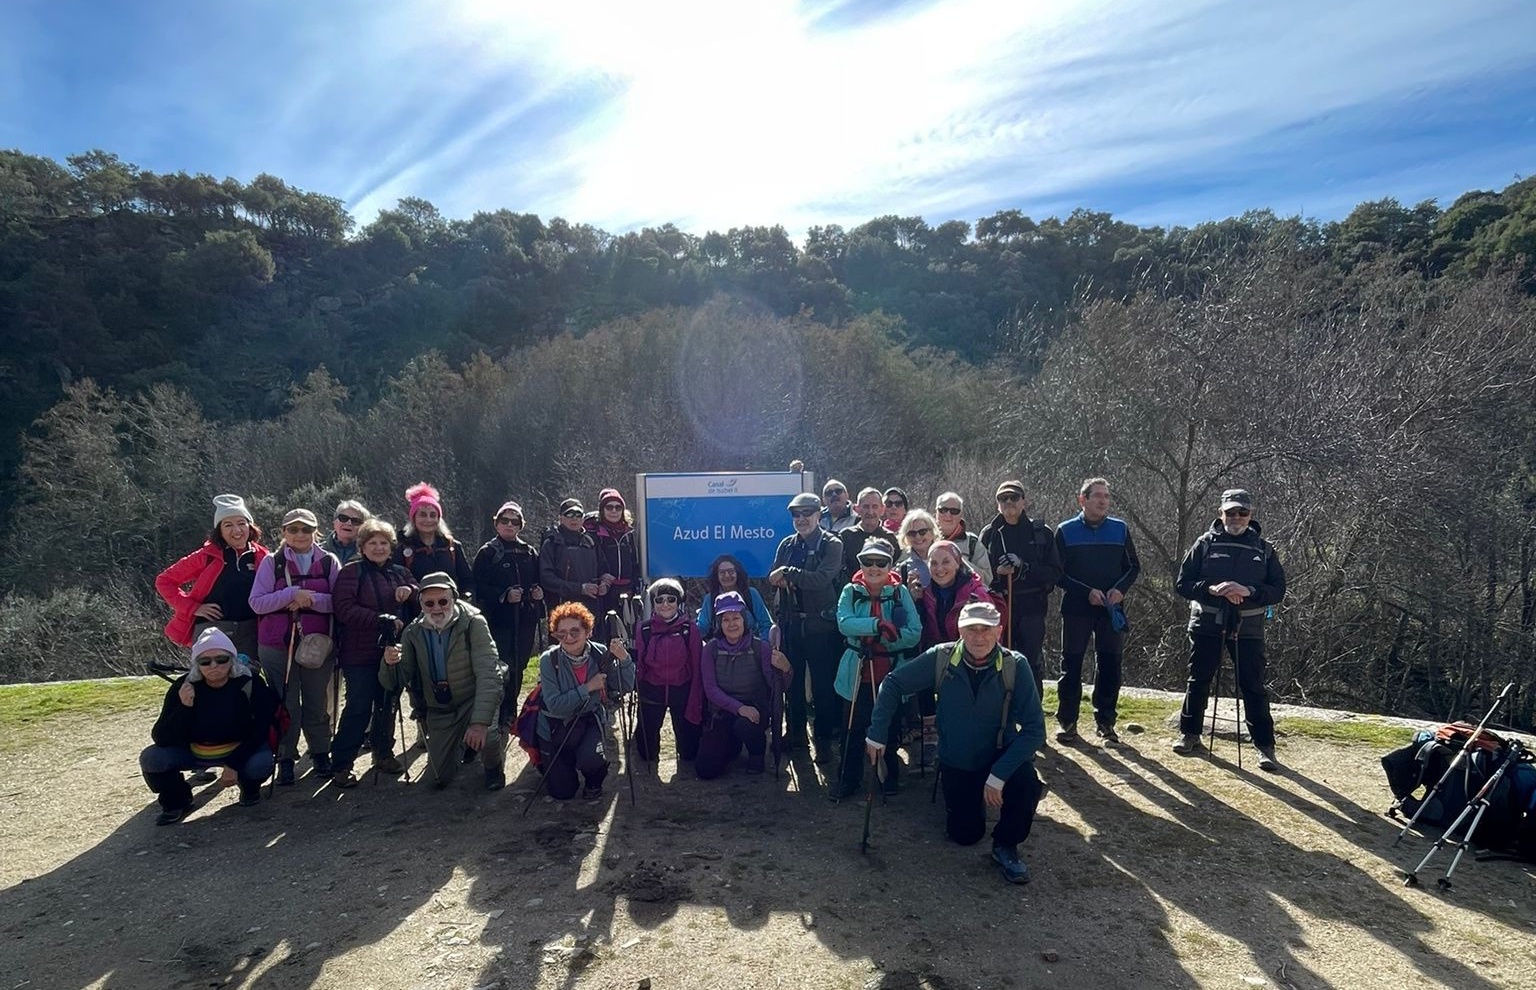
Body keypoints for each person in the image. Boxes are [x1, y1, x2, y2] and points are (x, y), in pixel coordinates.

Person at [866, 601, 1045, 885]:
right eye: (971, 629)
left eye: (986, 629)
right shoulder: (941, 658)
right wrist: (876, 733)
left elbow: (1035, 730)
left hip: (1000, 757)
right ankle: (969, 802)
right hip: (957, 760)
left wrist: (998, 776)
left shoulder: (1015, 666)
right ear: (959, 631)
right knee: (965, 836)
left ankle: (1006, 845)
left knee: (1025, 782)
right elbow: (893, 684)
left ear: (999, 631)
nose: (979, 636)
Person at [1172, 489, 1288, 771]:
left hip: (1248, 627)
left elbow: (1278, 590)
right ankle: (1189, 734)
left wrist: (1247, 590)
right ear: (1220, 513)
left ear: (1251, 515)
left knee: (1253, 685)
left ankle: (1264, 746)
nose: (1236, 517)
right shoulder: (1204, 544)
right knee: (1199, 679)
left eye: (1242, 513)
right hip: (1207, 624)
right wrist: (1211, 589)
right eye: (1231, 512)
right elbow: (1182, 583)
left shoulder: (1265, 549)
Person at [139, 627, 279, 825]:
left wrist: (233, 764)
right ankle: (177, 801)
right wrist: (184, 708)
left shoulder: (250, 682)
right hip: (194, 751)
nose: (214, 665)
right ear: (197, 664)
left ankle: (249, 787)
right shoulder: (183, 686)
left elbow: (260, 730)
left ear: (232, 660)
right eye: (205, 661)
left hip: (240, 748)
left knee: (261, 763)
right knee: (152, 758)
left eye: (222, 659)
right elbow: (161, 737)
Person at [380, 572, 507, 790]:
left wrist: (479, 723)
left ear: (454, 599)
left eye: (443, 601)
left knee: (489, 734)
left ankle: (493, 767)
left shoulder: (474, 623)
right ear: (421, 604)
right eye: (429, 603)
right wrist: (389, 663)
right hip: (440, 707)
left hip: (472, 698)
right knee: (440, 777)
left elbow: (489, 673)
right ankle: (464, 745)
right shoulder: (412, 632)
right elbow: (395, 682)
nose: (436, 608)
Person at [249, 508, 340, 785]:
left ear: (316, 532)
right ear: (283, 533)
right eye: (293, 529)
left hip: (317, 645)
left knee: (316, 701)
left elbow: (339, 601)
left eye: (306, 529)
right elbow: (257, 602)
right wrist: (290, 594)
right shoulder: (270, 563)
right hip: (277, 645)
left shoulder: (328, 562)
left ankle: (320, 752)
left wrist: (308, 599)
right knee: (286, 703)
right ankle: (285, 757)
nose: (300, 535)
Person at [830, 539, 921, 800]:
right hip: (857, 669)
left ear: (889, 565)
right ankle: (848, 779)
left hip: (890, 670)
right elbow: (844, 623)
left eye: (880, 562)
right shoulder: (850, 590)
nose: (873, 567)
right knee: (852, 728)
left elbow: (914, 633)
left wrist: (881, 638)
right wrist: (877, 626)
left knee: (890, 727)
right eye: (867, 561)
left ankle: (888, 775)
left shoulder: (900, 592)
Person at [330, 517, 417, 787]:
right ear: (362, 546)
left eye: (383, 543)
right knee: (359, 706)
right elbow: (343, 609)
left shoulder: (400, 573)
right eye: (372, 543)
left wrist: (411, 590)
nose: (379, 548)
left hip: (392, 649)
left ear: (390, 546)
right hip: (359, 653)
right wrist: (380, 619)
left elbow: (420, 595)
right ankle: (342, 763)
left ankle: (383, 752)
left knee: (388, 703)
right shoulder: (351, 572)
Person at [1055, 477, 1140, 745]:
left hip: (1111, 609)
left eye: (1106, 496)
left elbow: (1133, 567)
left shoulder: (1120, 529)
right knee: (1071, 666)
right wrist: (1085, 592)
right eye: (1097, 496)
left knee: (1110, 665)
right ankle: (1068, 723)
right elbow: (1057, 574)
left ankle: (1106, 722)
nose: (1103, 500)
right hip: (1076, 608)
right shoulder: (1065, 530)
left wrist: (1120, 590)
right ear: (1083, 500)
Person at [768, 492, 845, 763]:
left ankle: (824, 739)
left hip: (821, 625)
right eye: (796, 515)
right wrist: (786, 575)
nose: (801, 519)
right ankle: (797, 733)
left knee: (823, 685)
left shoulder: (832, 544)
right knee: (793, 682)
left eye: (807, 513)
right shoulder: (787, 544)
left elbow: (822, 579)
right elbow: (773, 576)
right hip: (791, 622)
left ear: (818, 515)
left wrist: (790, 574)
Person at [534, 602, 636, 799]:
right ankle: (556, 764)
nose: (568, 637)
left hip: (588, 721)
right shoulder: (548, 660)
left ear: (588, 632)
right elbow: (554, 704)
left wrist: (625, 660)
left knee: (591, 760)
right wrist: (589, 687)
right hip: (553, 726)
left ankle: (593, 779)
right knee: (562, 793)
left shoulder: (601, 654)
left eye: (575, 631)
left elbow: (625, 686)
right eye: (561, 633)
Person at [918, 540, 1004, 765]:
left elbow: (990, 635)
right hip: (942, 653)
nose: (939, 568)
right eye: (933, 563)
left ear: (958, 563)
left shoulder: (976, 594)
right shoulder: (926, 593)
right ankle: (932, 739)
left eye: (946, 561)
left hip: (973, 655)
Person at [155, 493, 268, 659]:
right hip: (211, 631)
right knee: (211, 679)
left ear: (250, 527)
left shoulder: (263, 556)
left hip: (250, 632)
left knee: (247, 680)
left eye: (241, 523)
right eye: (228, 525)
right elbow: (164, 581)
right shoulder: (206, 556)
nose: (237, 530)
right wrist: (194, 608)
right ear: (219, 531)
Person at [979, 480, 1063, 699]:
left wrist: (1023, 565)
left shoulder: (1041, 532)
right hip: (998, 606)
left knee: (1030, 661)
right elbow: (980, 576)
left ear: (1024, 501)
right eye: (1002, 499)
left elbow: (1055, 572)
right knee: (996, 658)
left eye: (1014, 497)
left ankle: (1032, 713)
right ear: (997, 504)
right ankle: (1001, 713)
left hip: (1032, 608)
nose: (1008, 502)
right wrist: (998, 571)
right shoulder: (989, 534)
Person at [695, 592, 793, 779]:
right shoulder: (710, 649)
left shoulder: (761, 648)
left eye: (736, 618)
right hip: (724, 712)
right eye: (725, 619)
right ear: (719, 623)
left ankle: (757, 752)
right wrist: (739, 708)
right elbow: (711, 690)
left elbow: (776, 687)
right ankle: (732, 745)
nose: (732, 624)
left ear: (744, 620)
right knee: (706, 769)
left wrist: (786, 669)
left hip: (754, 712)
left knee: (745, 726)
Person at [473, 500, 544, 726]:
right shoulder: (487, 553)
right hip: (498, 620)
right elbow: (477, 587)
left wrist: (537, 592)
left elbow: (537, 579)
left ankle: (510, 711)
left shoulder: (528, 551)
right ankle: (497, 712)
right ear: (497, 523)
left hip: (525, 619)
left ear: (520, 525)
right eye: (505, 520)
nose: (510, 525)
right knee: (501, 666)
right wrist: (503, 595)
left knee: (519, 665)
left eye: (515, 521)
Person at [632, 578, 704, 764]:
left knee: (689, 753)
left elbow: (697, 667)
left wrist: (695, 700)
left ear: (679, 602)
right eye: (659, 600)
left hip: (682, 690)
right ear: (653, 603)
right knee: (646, 754)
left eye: (671, 599)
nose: (665, 604)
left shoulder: (690, 629)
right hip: (651, 691)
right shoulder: (644, 629)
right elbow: (639, 664)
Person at [393, 482, 475, 600]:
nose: (428, 519)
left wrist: (466, 598)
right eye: (423, 515)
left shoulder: (452, 547)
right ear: (413, 518)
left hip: (451, 612)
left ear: (439, 519)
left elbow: (467, 581)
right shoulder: (402, 549)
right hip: (416, 614)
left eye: (433, 515)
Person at [585, 488, 640, 636]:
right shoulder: (594, 534)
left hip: (627, 589)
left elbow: (635, 562)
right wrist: (601, 579)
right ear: (602, 510)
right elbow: (592, 562)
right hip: (605, 590)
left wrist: (634, 585)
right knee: (607, 631)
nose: (614, 511)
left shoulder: (629, 533)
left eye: (618, 507)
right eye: (609, 507)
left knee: (629, 631)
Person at [540, 498, 602, 612]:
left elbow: (603, 569)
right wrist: (580, 589)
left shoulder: (591, 542)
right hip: (561, 607)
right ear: (561, 518)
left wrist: (604, 583)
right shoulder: (551, 543)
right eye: (569, 514)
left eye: (578, 515)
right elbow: (546, 578)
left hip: (590, 606)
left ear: (583, 519)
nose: (574, 518)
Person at [695, 554, 773, 638]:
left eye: (731, 571)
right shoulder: (710, 599)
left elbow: (766, 625)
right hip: (720, 649)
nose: (727, 575)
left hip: (751, 647)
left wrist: (762, 647)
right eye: (722, 572)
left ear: (737, 573)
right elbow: (701, 629)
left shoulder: (751, 594)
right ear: (716, 576)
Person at [934, 492, 993, 586]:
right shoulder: (924, 540)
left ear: (961, 514)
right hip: (932, 598)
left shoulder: (972, 543)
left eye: (954, 511)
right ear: (936, 512)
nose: (948, 515)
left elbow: (987, 579)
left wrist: (961, 562)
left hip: (966, 598)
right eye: (943, 510)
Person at [837, 488, 888, 585]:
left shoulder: (890, 538)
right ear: (857, 509)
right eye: (866, 507)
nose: (870, 511)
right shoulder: (845, 536)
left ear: (882, 509)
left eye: (875, 506)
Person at [896, 509, 938, 595]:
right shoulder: (903, 570)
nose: (918, 537)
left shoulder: (949, 558)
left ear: (932, 532)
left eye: (922, 532)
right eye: (912, 533)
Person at [322, 500, 370, 566]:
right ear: (334, 521)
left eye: (355, 521)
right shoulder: (319, 551)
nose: (348, 523)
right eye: (343, 518)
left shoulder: (369, 553)